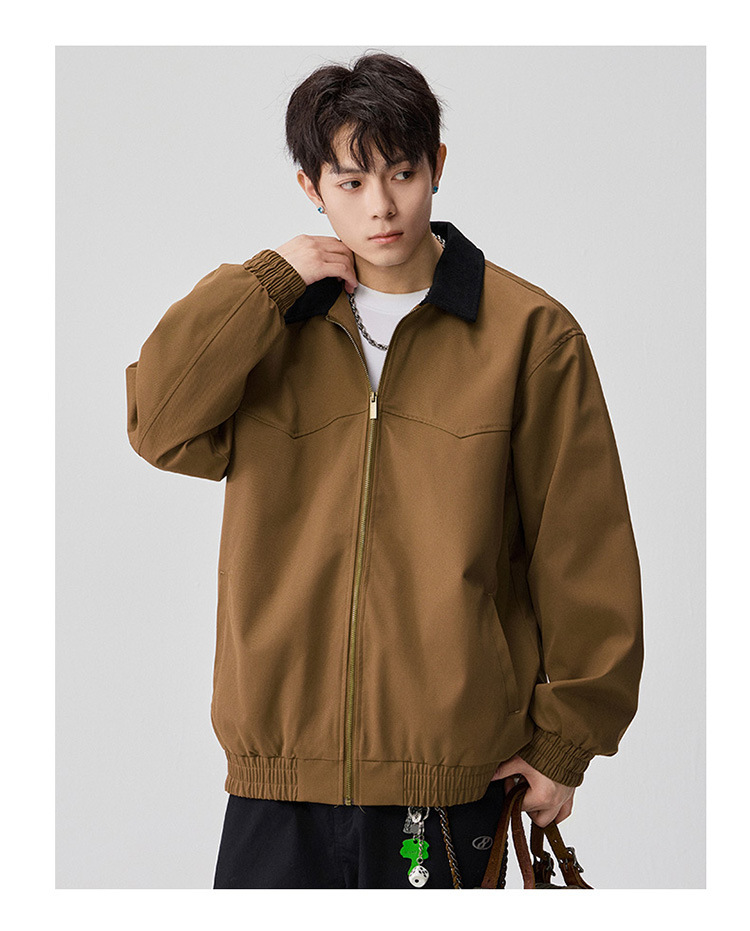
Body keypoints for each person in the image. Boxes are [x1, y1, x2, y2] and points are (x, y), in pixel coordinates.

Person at [125, 51, 644, 889]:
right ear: (311, 187)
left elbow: (583, 550)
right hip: (278, 780)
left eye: (402, 173)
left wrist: (565, 743)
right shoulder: (272, 329)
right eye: (352, 181)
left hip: (448, 783)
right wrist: (264, 284)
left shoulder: (530, 335)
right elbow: (158, 426)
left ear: (437, 165)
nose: (382, 206)